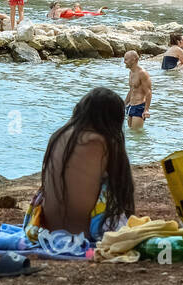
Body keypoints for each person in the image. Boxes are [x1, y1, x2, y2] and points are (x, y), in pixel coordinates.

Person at [22, 88, 134, 243]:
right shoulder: (102, 142)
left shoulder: (57, 135)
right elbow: (122, 186)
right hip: (84, 234)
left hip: (46, 231)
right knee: (110, 181)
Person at [123, 51, 152, 128]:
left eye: (126, 59)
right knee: (131, 134)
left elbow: (148, 92)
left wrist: (146, 110)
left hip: (139, 107)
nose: (124, 62)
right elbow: (131, 90)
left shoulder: (142, 73)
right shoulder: (131, 72)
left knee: (137, 135)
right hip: (131, 106)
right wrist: (124, 104)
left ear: (134, 60)